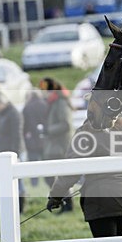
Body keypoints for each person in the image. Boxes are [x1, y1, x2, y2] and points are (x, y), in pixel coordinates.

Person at [40, 77, 74, 210]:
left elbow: (66, 124)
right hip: (54, 145)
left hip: (60, 146)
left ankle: (67, 204)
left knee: (56, 178)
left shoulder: (60, 102)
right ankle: (65, 203)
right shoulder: (54, 102)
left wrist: (48, 130)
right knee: (53, 178)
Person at [0, 91, 26, 211]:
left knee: (18, 181)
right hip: (3, 150)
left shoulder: (13, 113)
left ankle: (20, 206)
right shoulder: (1, 114)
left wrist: (16, 152)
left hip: (13, 150)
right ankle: (10, 207)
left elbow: (17, 134)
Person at [21, 89, 49, 187]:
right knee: (46, 162)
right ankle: (48, 181)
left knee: (33, 163)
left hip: (31, 139)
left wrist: (25, 136)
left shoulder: (27, 107)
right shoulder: (45, 105)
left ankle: (34, 183)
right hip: (45, 139)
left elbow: (24, 126)